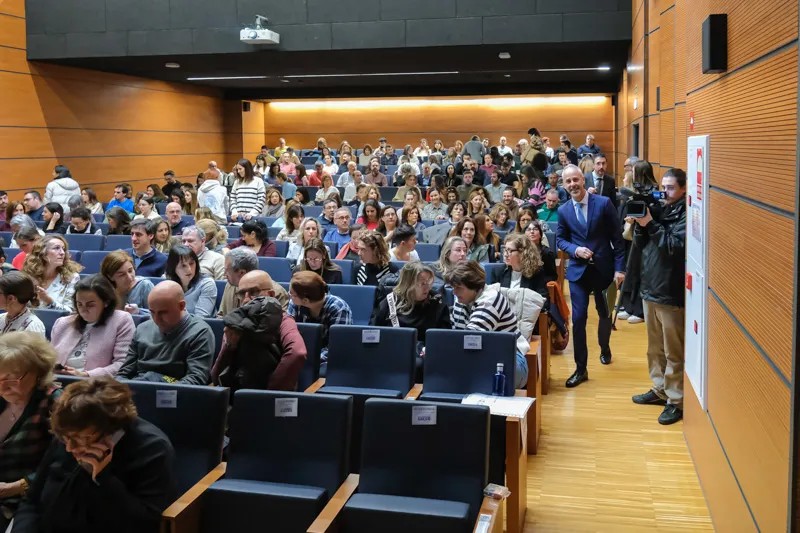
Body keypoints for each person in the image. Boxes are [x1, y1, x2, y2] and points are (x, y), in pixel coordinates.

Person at [14, 377, 176, 533]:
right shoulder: (69, 433)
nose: (70, 448)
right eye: (66, 439)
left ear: (112, 430)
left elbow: (144, 524)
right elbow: (31, 500)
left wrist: (102, 477)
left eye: (83, 439)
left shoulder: (152, 448)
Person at [556, 165, 625, 388]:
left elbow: (618, 238)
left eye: (576, 179)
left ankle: (604, 347)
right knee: (578, 319)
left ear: (583, 180)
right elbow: (560, 240)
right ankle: (581, 368)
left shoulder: (603, 203)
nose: (573, 184)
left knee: (605, 314)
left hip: (604, 269)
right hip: (578, 272)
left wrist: (619, 269)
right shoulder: (564, 210)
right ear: (564, 186)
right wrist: (575, 250)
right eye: (568, 182)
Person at [630, 168, 687, 425]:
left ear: (684, 189)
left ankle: (676, 400)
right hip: (650, 286)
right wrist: (640, 223)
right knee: (655, 349)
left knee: (674, 351)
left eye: (671, 188)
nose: (665, 192)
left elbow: (673, 247)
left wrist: (650, 223)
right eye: (663, 187)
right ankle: (660, 389)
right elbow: (642, 244)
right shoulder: (660, 207)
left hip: (670, 290)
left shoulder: (687, 213)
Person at [0, 331, 61, 531]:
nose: (3, 387)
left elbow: (64, 466)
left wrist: (17, 487)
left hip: (25, 500)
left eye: (12, 378)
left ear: (38, 372)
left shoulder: (56, 405)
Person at [211, 271, 306, 392]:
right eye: (241, 294)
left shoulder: (284, 320)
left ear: (271, 294)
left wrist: (269, 392)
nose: (246, 300)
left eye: (253, 292)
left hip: (272, 397)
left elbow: (298, 353)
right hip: (239, 396)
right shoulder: (236, 323)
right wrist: (230, 345)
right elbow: (215, 377)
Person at [446, 260, 529, 387]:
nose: (454, 292)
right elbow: (457, 335)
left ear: (474, 286)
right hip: (481, 356)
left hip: (511, 359)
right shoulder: (461, 299)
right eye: (453, 287)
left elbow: (469, 337)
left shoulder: (490, 299)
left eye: (459, 288)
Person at [118, 281, 214, 383]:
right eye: (152, 312)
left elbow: (195, 380)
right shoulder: (142, 329)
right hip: (138, 389)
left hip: (174, 392)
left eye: (163, 313)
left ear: (181, 306)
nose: (156, 319)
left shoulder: (200, 333)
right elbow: (124, 373)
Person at [51, 275, 134, 377]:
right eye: (79, 304)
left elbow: (122, 364)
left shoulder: (121, 320)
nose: (83, 309)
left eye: (90, 305)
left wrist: (86, 375)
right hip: (59, 382)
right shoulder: (62, 323)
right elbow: (50, 359)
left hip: (97, 386)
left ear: (106, 302)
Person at [371, 261, 450, 355]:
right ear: (408, 285)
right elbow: (373, 331)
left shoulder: (437, 301)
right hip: (395, 353)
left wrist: (433, 348)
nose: (427, 288)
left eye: (429, 282)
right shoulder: (390, 301)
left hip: (428, 356)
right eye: (422, 284)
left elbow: (444, 335)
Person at [288, 271, 352, 369]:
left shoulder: (338, 308)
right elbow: (288, 333)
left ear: (305, 300)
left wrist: (309, 359)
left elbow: (337, 347)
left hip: (329, 361)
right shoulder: (295, 304)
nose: (289, 295)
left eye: (292, 294)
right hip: (300, 356)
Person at [219, 248, 288, 317]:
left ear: (242, 272)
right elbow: (221, 315)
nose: (224, 274)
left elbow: (279, 323)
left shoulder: (277, 292)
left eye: (226, 270)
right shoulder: (230, 285)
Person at [23, 235, 81, 312]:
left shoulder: (72, 277)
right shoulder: (28, 276)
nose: (62, 253)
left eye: (63, 249)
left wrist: (48, 300)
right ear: (42, 253)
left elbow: (71, 312)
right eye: (56, 248)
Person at [165, 245, 217, 318]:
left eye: (192, 263)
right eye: (183, 266)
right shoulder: (168, 284)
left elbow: (201, 317)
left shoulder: (207, 283)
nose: (189, 269)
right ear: (173, 268)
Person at [101, 250, 154, 315]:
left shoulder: (145, 285)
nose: (129, 277)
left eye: (130, 271)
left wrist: (139, 312)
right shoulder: (105, 290)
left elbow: (157, 316)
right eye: (121, 274)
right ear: (110, 276)